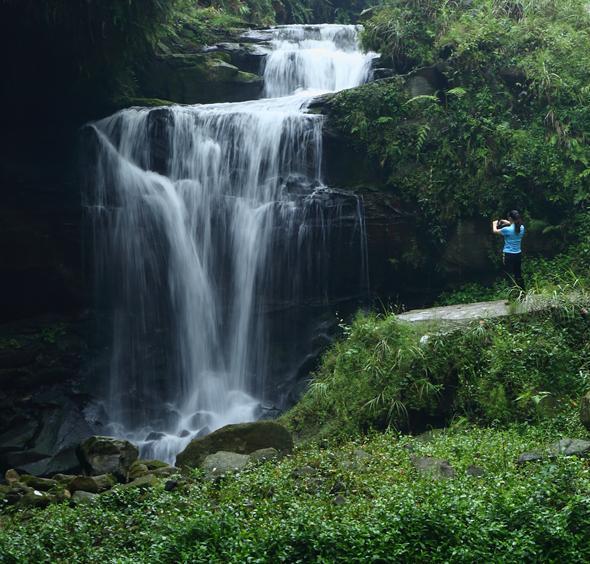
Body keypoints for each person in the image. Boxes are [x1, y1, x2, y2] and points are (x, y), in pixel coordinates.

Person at [492, 210, 525, 290]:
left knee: (509, 276)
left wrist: (494, 224)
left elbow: (495, 231)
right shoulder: (522, 228)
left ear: (510, 218)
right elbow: (515, 226)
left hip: (508, 255)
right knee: (518, 274)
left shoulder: (507, 230)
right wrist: (508, 222)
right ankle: (522, 293)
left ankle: (512, 295)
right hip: (518, 255)